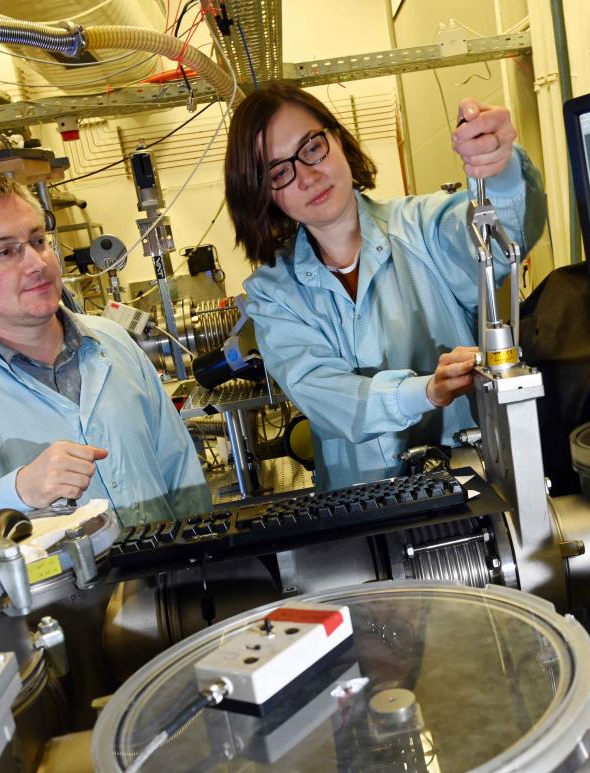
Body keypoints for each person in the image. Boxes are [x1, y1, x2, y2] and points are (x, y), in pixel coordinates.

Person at [225, 82, 546, 490]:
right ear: (263, 194)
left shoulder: (424, 227)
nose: (307, 176)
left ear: (337, 138)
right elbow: (326, 395)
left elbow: (505, 236)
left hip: (473, 487)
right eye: (279, 172)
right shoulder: (274, 293)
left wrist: (498, 172)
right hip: (358, 506)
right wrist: (424, 392)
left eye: (311, 148)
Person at [0, 172, 211, 525]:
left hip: (172, 572)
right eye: (4, 251)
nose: (37, 263)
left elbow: (181, 472)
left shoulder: (112, 340)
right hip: (57, 582)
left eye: (37, 241)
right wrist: (15, 493)